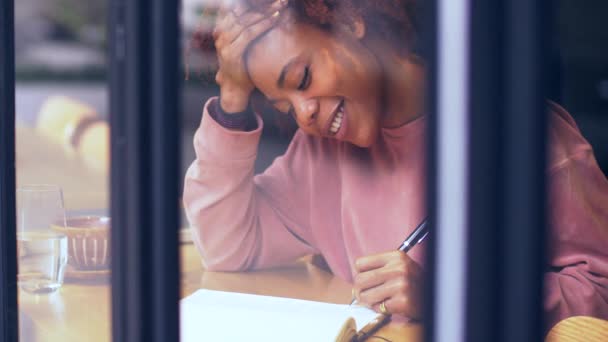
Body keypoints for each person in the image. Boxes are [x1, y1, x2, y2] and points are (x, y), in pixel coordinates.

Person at [183, 0, 608, 332]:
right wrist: (233, 99)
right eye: (283, 106)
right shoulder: (319, 156)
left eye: (302, 79)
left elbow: (600, 292)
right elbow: (227, 246)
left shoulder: (520, 136)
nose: (303, 114)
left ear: (352, 25)